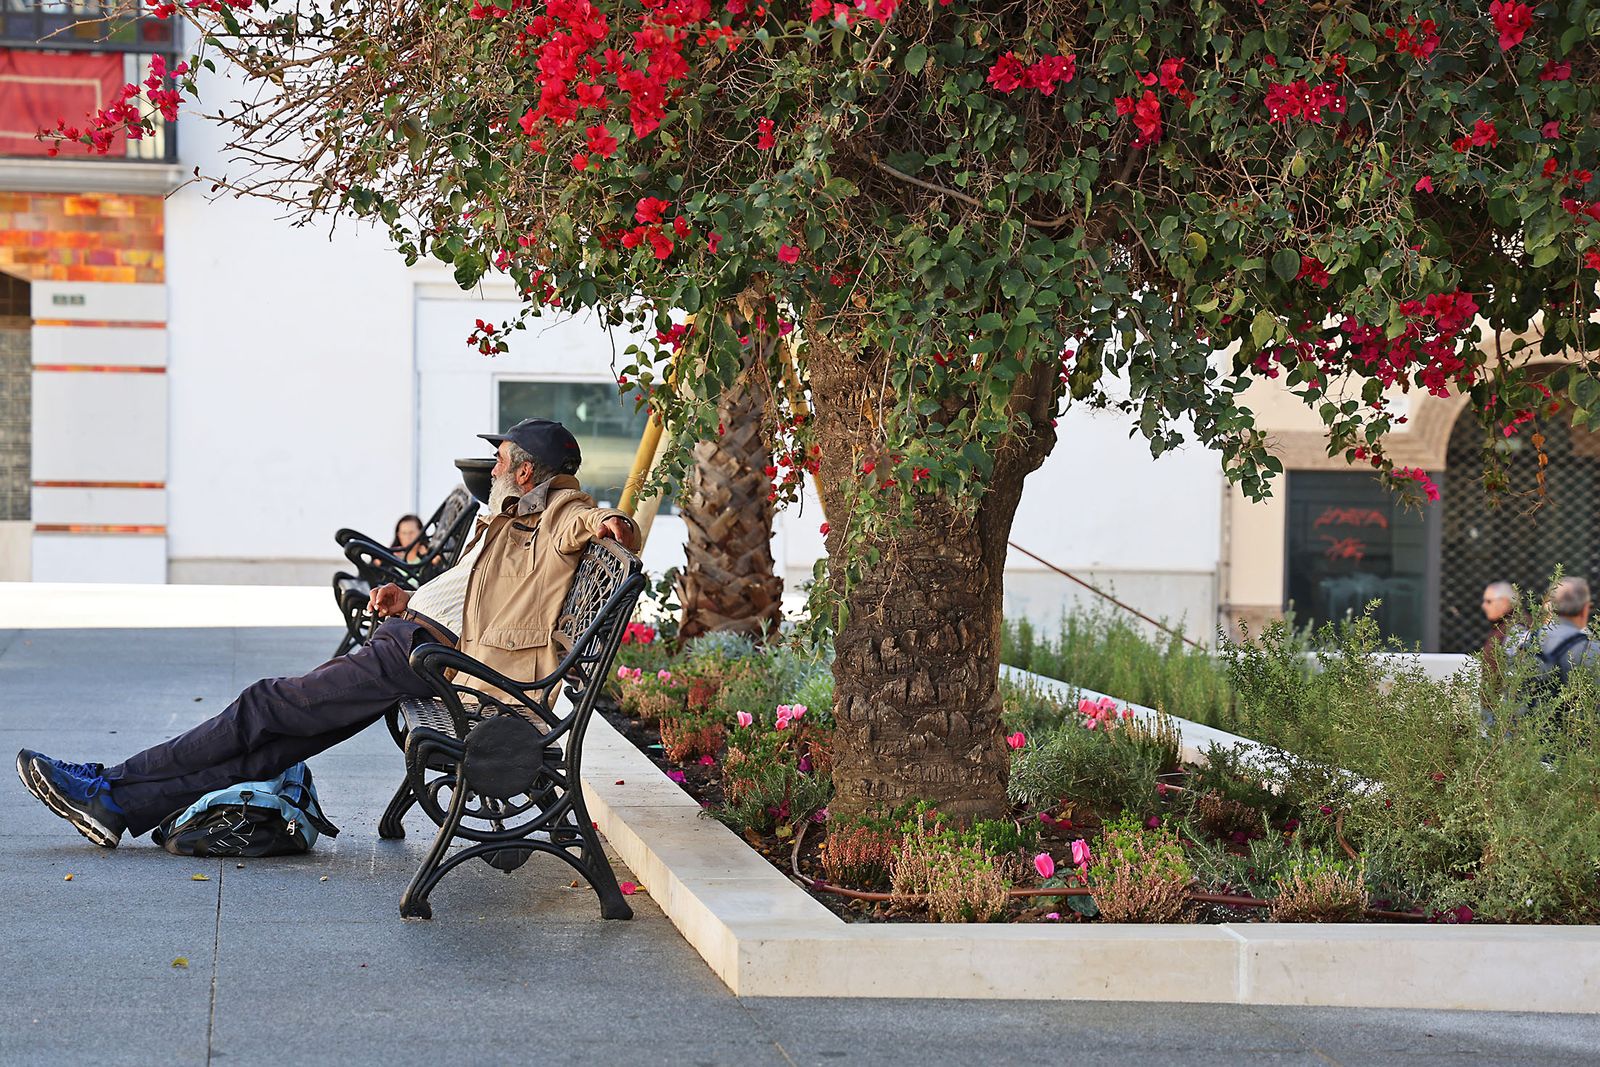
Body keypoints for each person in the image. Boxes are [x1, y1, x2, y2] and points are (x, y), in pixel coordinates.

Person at [16, 418, 640, 849]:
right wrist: (411, 596)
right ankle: (117, 806)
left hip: (430, 661)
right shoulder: (509, 516)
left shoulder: (554, 516)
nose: (494, 464)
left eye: (503, 458)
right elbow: (475, 591)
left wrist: (614, 525)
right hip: (418, 642)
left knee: (264, 705)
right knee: (276, 745)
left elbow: (588, 520)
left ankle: (108, 783)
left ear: (528, 472)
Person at [1478, 580, 1519, 703]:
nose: (1483, 606)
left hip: (1506, 708)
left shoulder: (1517, 628)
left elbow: (1514, 669)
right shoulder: (1502, 626)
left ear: (1505, 602)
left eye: (1489, 601)